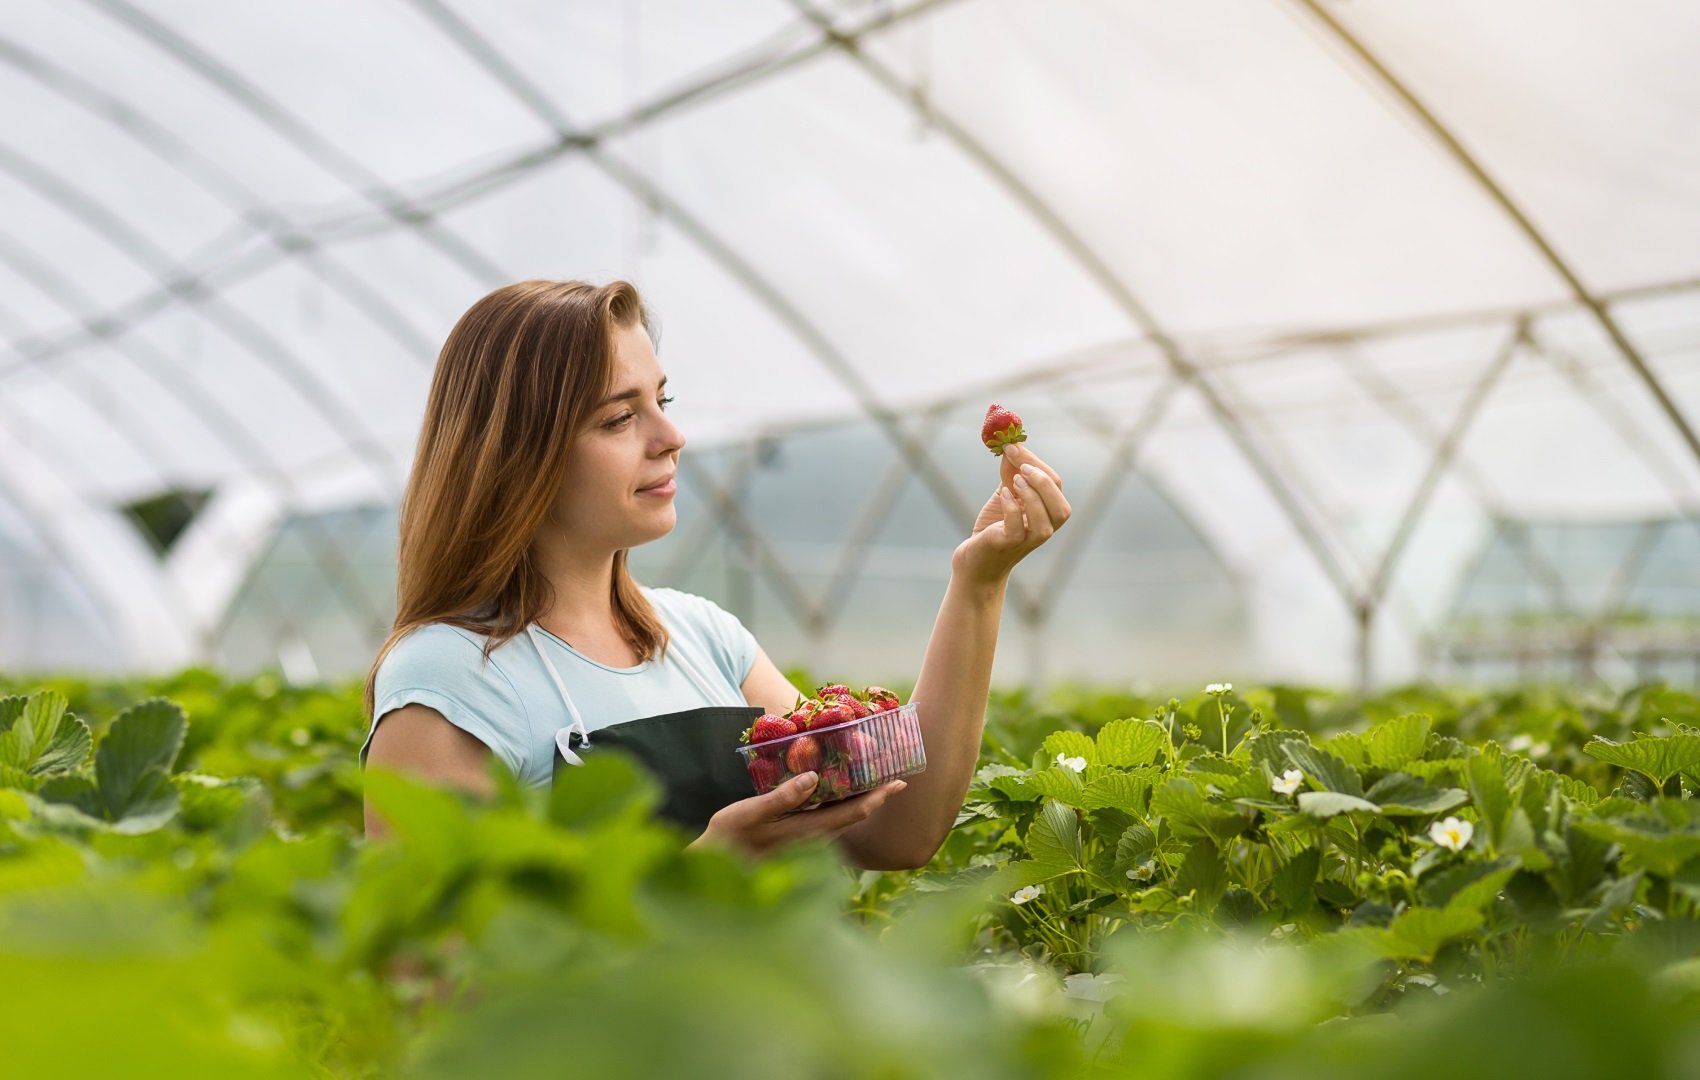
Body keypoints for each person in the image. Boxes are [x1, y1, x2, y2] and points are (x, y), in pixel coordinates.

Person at [361, 280, 1070, 870]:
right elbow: (436, 981)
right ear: (517, 452)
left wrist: (978, 584)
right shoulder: (449, 680)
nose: (671, 438)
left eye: (661, 403)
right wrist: (702, 873)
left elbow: (893, 831)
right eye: (618, 418)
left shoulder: (702, 638)